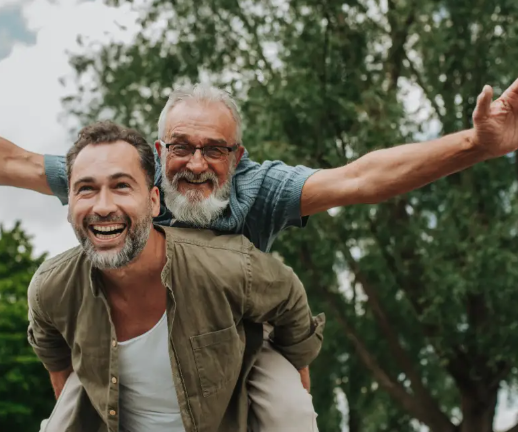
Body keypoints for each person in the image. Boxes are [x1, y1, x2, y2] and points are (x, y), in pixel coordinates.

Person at [0, 53, 518, 428]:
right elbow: (6, 161)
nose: (194, 162)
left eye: (213, 149)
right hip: (128, 338)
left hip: (242, 339)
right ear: (156, 157)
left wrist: (475, 145)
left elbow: (362, 177)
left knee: (293, 414)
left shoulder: (262, 189)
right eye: (180, 147)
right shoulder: (119, 182)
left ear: (237, 156)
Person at [28, 120, 324, 432]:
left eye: (121, 186)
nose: (103, 207)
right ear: (69, 206)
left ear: (154, 201)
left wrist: (293, 392)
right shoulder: (51, 289)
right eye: (86, 189)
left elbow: (289, 301)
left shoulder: (229, 265)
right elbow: (55, 360)